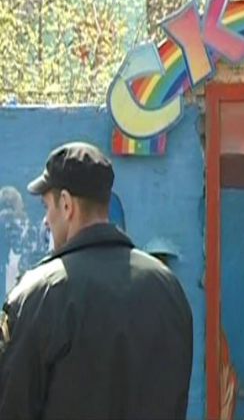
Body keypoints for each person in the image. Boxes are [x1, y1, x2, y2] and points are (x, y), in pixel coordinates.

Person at [0, 141, 193, 419]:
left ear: (66, 205)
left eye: (46, 206)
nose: (45, 221)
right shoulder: (168, 290)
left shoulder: (37, 296)